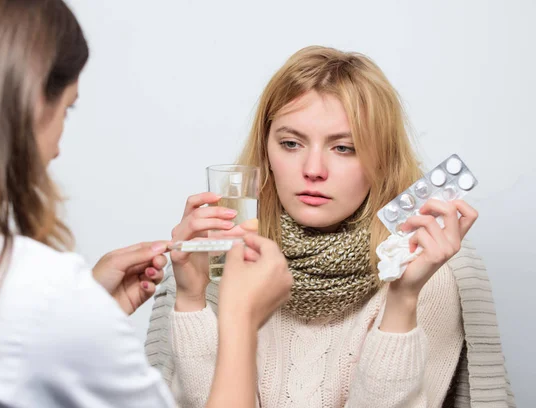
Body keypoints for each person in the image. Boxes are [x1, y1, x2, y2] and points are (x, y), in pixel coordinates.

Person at [0, 1, 292, 407]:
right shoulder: (38, 292)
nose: (57, 148)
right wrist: (240, 321)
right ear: (30, 104)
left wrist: (88, 309)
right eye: (67, 109)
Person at [146, 46, 515, 407]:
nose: (313, 169)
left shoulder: (426, 270)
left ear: (381, 159)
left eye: (344, 148)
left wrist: (403, 299)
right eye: (291, 143)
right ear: (266, 152)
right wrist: (191, 300)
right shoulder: (219, 258)